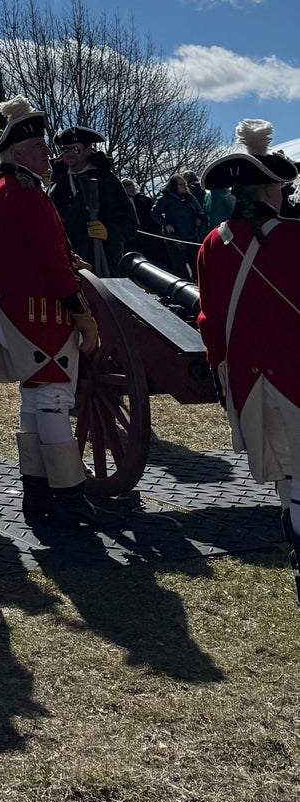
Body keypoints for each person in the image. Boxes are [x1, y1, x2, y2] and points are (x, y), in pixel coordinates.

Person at [0, 98, 101, 530]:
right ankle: (69, 499)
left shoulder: (4, 188)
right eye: (40, 146)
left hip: (19, 314)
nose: (48, 153)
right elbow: (48, 260)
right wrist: (80, 312)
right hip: (43, 316)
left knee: (34, 404)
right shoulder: (22, 191)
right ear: (19, 151)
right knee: (55, 402)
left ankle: (37, 492)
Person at [197, 120, 300, 605]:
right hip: (294, 373)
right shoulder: (296, 240)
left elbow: (209, 319)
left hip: (247, 377)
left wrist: (224, 373)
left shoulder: (212, 244)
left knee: (286, 471)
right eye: (279, 186)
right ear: (268, 190)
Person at [49, 127, 137, 269]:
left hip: (102, 262)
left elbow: (129, 224)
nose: (69, 154)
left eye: (75, 150)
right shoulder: (58, 182)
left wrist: (108, 231)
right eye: (65, 150)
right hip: (66, 262)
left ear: (88, 150)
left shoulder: (106, 180)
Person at [153, 170, 208, 278]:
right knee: (180, 265)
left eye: (185, 184)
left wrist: (198, 218)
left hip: (191, 234)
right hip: (175, 236)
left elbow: (199, 210)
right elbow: (155, 212)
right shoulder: (166, 198)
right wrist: (165, 223)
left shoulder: (189, 197)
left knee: (196, 263)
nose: (184, 186)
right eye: (181, 184)